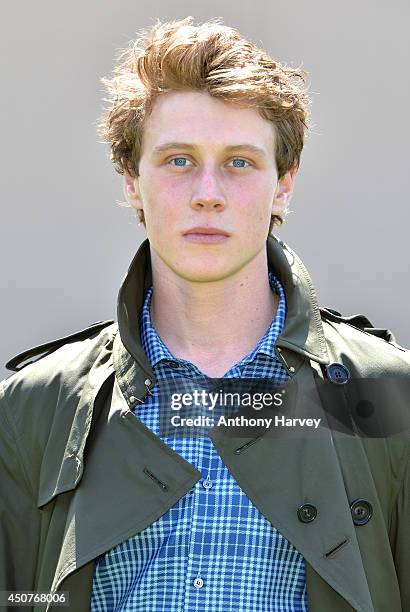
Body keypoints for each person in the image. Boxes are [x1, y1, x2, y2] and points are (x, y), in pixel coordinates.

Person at [1, 16, 409, 612]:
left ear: (284, 185)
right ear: (132, 182)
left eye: (240, 161)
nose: (208, 192)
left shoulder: (390, 395)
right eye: (178, 160)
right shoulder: (31, 407)